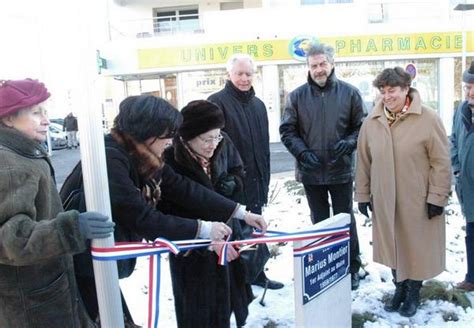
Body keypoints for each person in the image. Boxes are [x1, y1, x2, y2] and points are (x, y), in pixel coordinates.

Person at [60, 95, 267, 325]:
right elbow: (141, 216)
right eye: (167, 135)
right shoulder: (111, 159)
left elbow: (182, 187)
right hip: (80, 263)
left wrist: (241, 213)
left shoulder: (142, 156)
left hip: (97, 260)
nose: (170, 142)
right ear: (148, 132)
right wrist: (203, 229)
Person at [0, 79, 114, 327]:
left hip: (43, 290)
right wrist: (72, 229)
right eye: (35, 112)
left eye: (46, 111)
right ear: (8, 119)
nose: (45, 120)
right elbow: (10, 240)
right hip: (28, 303)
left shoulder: (25, 153)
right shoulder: (8, 163)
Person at [354, 67, 451, 316]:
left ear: (406, 89)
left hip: (417, 199)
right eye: (383, 91)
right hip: (385, 199)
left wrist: (437, 197)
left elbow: (441, 162)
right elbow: (364, 162)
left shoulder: (428, 119)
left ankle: (414, 292)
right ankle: (399, 287)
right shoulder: (372, 122)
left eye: (393, 90)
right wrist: (363, 195)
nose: (388, 96)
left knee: (415, 246)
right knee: (393, 246)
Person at [279, 43, 365, 290]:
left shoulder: (350, 94)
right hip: (311, 171)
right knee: (319, 221)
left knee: (345, 219)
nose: (319, 70)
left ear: (332, 64)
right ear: (308, 67)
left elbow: (362, 126)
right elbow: (287, 130)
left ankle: (352, 265)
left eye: (322, 64)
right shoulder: (296, 97)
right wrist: (302, 153)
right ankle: (326, 264)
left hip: (341, 169)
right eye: (314, 65)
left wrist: (349, 143)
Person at [160, 100, 252, 328]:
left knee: (227, 302)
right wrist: (204, 236)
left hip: (227, 236)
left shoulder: (223, 143)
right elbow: (167, 209)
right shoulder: (169, 159)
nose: (213, 144)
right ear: (189, 136)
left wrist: (234, 183)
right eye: (206, 139)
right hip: (192, 248)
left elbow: (237, 168)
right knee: (199, 310)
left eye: (217, 136)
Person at [208, 53, 283, 290]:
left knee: (254, 230)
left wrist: (265, 177)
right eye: (239, 73)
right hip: (230, 184)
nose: (244, 78)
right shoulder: (216, 102)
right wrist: (222, 179)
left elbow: (263, 147)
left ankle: (256, 273)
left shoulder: (258, 105)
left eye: (248, 74)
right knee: (233, 231)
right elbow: (211, 147)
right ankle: (235, 279)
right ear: (229, 75)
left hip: (256, 180)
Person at [451, 61, 474, 291]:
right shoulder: (461, 111)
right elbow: (454, 141)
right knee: (471, 232)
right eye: (468, 86)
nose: (471, 92)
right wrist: (457, 168)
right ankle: (472, 277)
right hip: (467, 188)